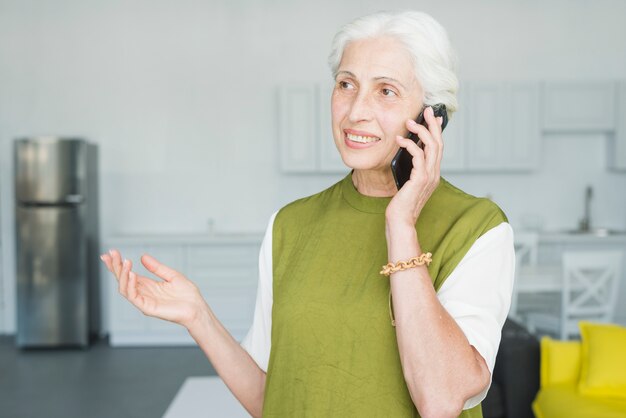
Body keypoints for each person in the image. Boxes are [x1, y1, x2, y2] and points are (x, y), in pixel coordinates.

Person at [101, 10, 514, 418]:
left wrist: (401, 223)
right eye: (346, 84)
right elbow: (273, 397)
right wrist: (197, 316)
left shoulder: (476, 228)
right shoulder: (290, 224)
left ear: (432, 117)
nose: (355, 112)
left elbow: (440, 400)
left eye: (386, 91)